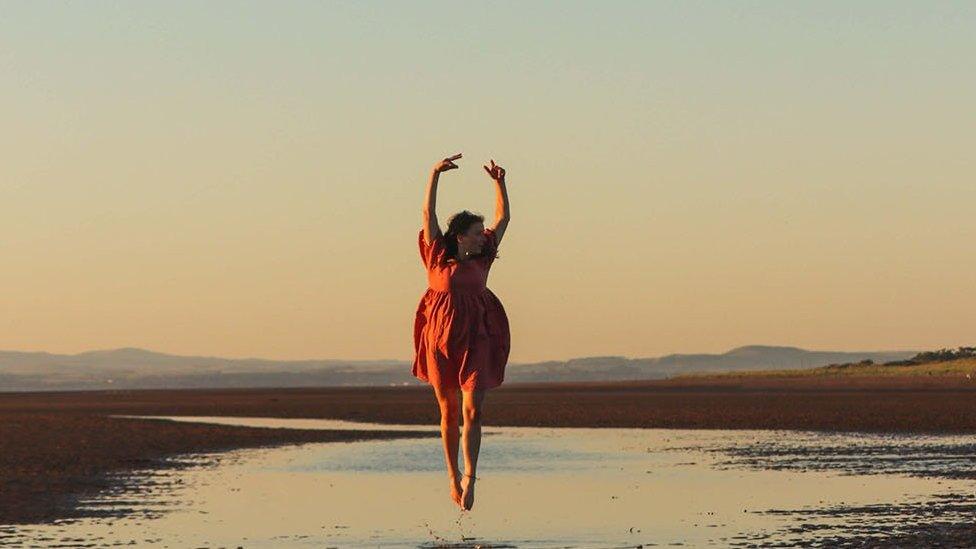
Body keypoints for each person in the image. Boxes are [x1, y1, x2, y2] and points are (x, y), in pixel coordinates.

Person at [413, 152, 511, 511]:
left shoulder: (484, 257)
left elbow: (503, 219)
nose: (480, 238)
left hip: (478, 337)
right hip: (440, 337)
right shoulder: (437, 253)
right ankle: (452, 475)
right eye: (474, 233)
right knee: (448, 410)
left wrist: (500, 183)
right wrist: (434, 173)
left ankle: (471, 478)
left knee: (473, 411)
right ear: (460, 237)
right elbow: (427, 216)